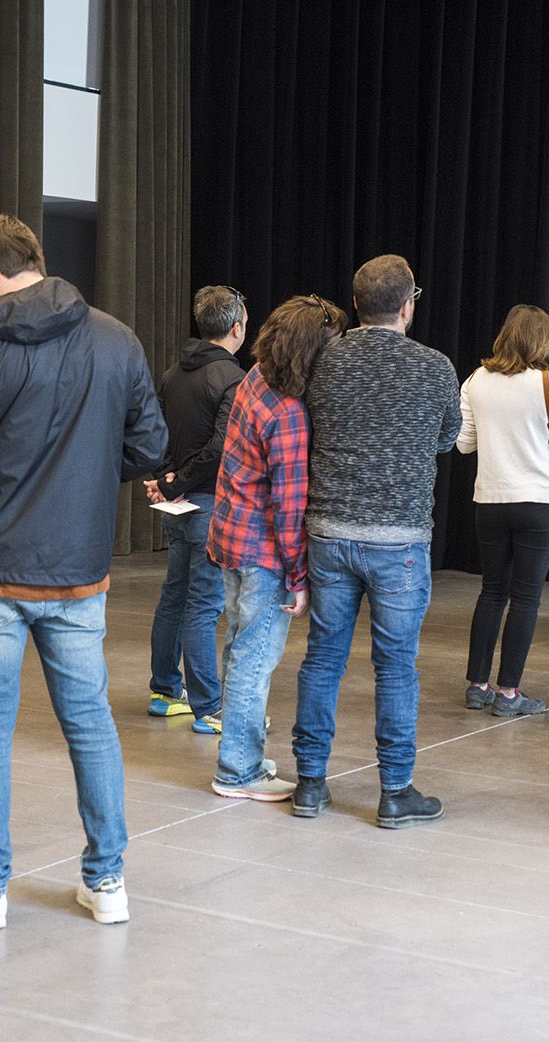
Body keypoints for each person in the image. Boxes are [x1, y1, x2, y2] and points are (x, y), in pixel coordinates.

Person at [0, 214, 168, 930]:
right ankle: (108, 882)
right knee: (90, 723)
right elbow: (150, 444)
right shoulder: (116, 338)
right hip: (79, 570)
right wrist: (83, 474)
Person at [291, 254, 461, 828]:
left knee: (323, 658)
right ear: (408, 306)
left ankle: (310, 784)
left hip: (329, 534)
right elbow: (446, 439)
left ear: (356, 304)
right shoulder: (436, 367)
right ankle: (395, 791)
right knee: (396, 669)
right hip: (400, 542)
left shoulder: (324, 360)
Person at [207, 294, 345, 801]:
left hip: (231, 537)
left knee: (238, 649)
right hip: (262, 551)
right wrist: (298, 576)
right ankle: (238, 771)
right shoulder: (288, 413)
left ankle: (239, 758)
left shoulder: (254, 378)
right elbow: (289, 507)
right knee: (254, 659)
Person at [456, 304, 549, 716]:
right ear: (541, 341)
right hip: (538, 502)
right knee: (526, 598)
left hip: (490, 500)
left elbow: (463, 443)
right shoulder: (547, 383)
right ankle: (509, 693)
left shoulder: (476, 380)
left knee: (491, 591)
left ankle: (477, 685)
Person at [143, 286, 248, 735]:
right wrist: (176, 482)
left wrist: (168, 481)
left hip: (179, 505)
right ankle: (209, 708)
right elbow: (222, 448)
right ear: (237, 327)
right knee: (203, 606)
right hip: (208, 505)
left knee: (175, 596)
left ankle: (166, 691)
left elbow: (156, 436)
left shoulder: (172, 374)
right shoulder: (232, 378)